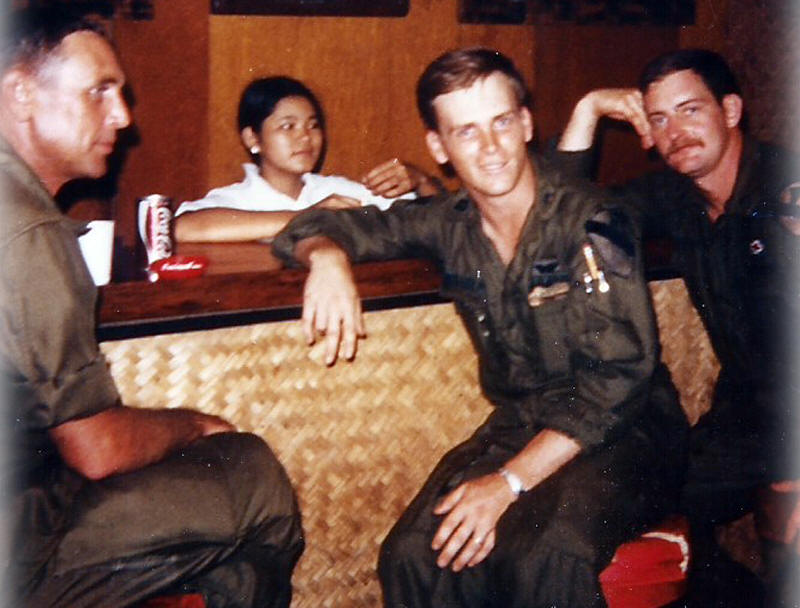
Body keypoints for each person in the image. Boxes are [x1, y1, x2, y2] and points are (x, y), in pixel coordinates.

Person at [271, 47, 689, 607]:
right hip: (524, 424)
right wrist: (325, 257)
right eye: (466, 132)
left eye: (501, 122)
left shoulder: (592, 219)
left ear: (526, 124)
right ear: (438, 148)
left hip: (629, 431)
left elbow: (616, 384)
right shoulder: (448, 223)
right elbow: (317, 224)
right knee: (413, 554)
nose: (490, 147)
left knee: (545, 555)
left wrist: (507, 482)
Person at [0, 7, 303, 607]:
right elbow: (97, 449)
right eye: (99, 92)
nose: (123, 116)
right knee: (252, 475)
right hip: (21, 541)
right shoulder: (30, 231)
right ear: (22, 93)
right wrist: (194, 425)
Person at [556, 48, 800, 606]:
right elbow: (563, 217)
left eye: (690, 110)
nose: (675, 133)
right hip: (746, 421)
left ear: (730, 111)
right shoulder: (674, 196)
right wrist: (588, 109)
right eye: (659, 119)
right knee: (641, 510)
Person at [174, 76, 442, 243]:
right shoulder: (237, 198)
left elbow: (439, 220)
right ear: (252, 138)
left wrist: (421, 180)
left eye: (313, 125)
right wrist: (310, 217)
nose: (305, 137)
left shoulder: (335, 191)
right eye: (288, 126)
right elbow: (181, 228)